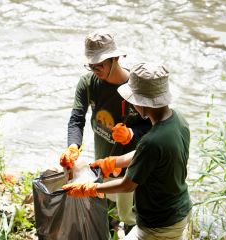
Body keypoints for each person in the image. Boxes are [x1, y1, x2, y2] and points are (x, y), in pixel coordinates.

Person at [63, 63, 193, 240]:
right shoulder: (178, 119)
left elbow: (127, 185)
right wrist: (113, 162)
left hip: (159, 224)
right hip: (180, 209)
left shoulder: (152, 141)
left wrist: (91, 188)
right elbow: (147, 155)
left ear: (142, 103)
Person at [59, 31, 152, 232]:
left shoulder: (136, 85)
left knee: (132, 221)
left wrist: (132, 134)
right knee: (103, 216)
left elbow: (155, 127)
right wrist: (73, 146)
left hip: (132, 169)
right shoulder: (88, 83)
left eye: (99, 65)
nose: (95, 70)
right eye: (90, 65)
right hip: (103, 163)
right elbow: (76, 119)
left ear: (115, 58)